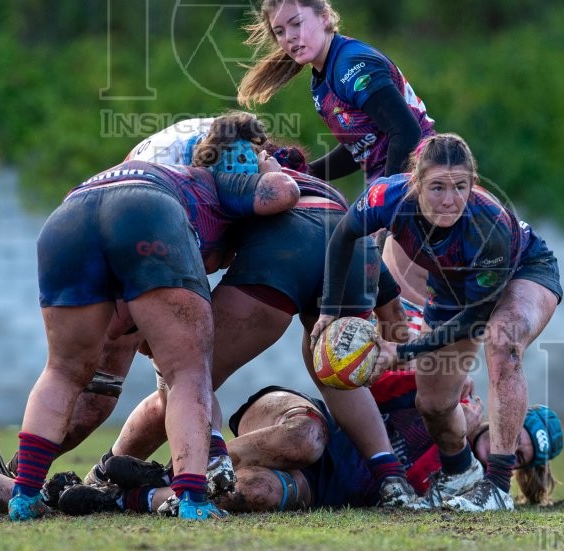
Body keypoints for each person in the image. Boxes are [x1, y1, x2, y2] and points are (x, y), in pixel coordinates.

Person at [84, 115, 418, 509]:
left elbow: (194, 260)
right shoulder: (314, 182)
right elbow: (392, 314)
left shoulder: (228, 177)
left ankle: (151, 470)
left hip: (287, 248)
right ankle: (393, 481)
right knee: (335, 378)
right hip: (353, 245)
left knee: (187, 375)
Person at [7, 133, 300, 521]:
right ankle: (194, 500)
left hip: (69, 214)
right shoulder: (228, 175)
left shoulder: (168, 170)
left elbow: (114, 327)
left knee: (62, 370)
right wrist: (270, 169)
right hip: (147, 213)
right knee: (189, 372)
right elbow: (281, 192)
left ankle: (23, 494)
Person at [312, 133, 563, 511]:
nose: (450, 200)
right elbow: (344, 235)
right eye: (438, 187)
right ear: (415, 182)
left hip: (525, 271)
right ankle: (459, 473)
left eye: (461, 187)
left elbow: (476, 317)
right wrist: (330, 308)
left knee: (502, 341)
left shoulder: (488, 227)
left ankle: (495, 488)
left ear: (473, 183)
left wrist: (403, 350)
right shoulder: (388, 198)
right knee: (433, 403)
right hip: (452, 290)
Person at [55, 372, 564, 515]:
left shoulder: (469, 488)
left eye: (520, 455)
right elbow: (353, 380)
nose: (509, 449)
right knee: (309, 439)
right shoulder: (441, 388)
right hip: (301, 418)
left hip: (323, 490)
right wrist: (440, 395)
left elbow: (422, 507)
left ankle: (130, 496)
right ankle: (176, 472)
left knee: (258, 494)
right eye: (514, 434)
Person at [238, 0, 435, 318]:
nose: (289, 38)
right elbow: (364, 146)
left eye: (296, 23)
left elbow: (406, 134)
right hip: (401, 186)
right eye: (280, 32)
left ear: (325, 16)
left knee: (404, 326)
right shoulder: (321, 78)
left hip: (419, 186)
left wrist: (384, 206)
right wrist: (308, 174)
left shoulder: (350, 66)